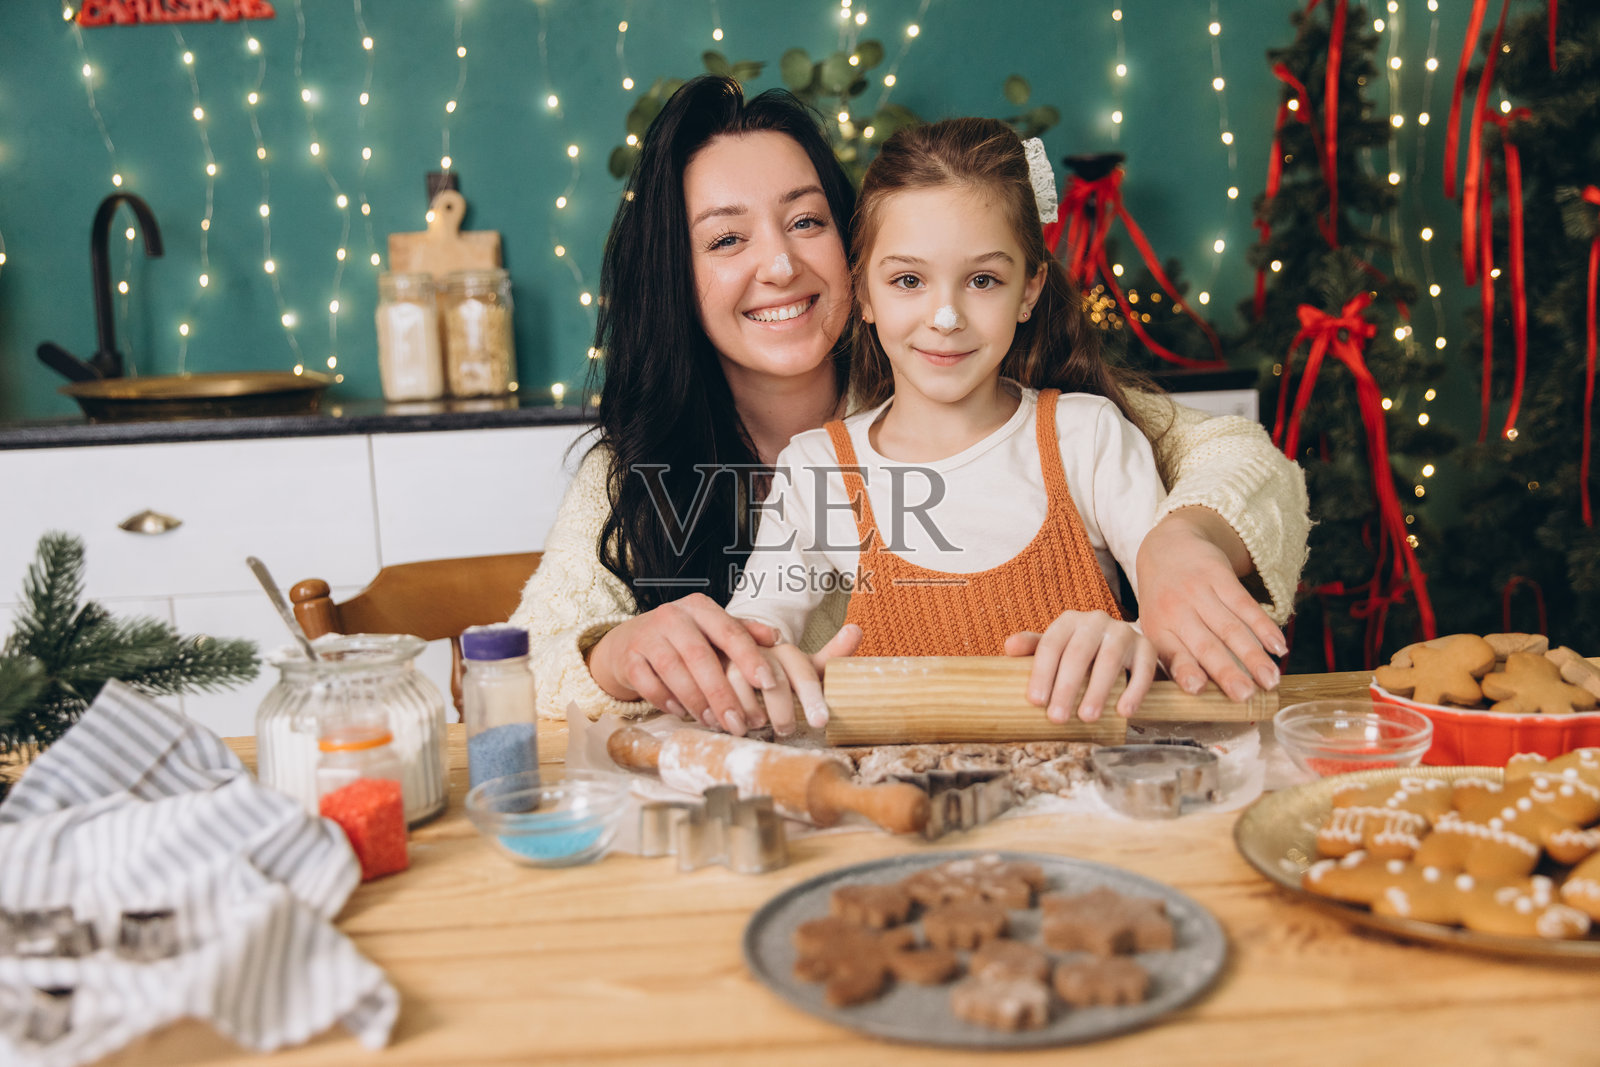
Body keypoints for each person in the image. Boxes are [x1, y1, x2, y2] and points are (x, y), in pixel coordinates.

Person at [509, 75, 1308, 731]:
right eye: (726, 238)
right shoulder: (741, 467)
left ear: (847, 258)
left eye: (805, 220)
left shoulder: (1077, 423)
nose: (780, 264)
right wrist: (620, 654)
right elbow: (535, 662)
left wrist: (1180, 545)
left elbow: (1240, 460)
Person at [721, 118, 1165, 736]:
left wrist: (1137, 641)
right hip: (896, 814)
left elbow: (1181, 620)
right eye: (908, 280)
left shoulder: (1086, 438)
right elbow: (754, 633)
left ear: (1030, 291)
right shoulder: (819, 468)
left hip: (1081, 812)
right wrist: (761, 666)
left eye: (982, 280)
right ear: (864, 293)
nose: (947, 316)